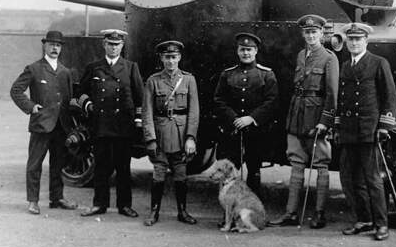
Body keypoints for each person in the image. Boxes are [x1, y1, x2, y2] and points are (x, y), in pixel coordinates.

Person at [269, 14, 338, 229]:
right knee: (296, 163)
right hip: (296, 115)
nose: (310, 36)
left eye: (314, 32)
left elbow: (333, 94)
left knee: (321, 164)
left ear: (321, 33)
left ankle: (319, 214)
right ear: (303, 34)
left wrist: (325, 121)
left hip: (316, 118)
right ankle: (290, 213)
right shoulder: (301, 55)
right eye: (307, 32)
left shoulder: (329, 58)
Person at [335, 22, 396, 241]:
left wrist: (384, 126)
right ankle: (363, 220)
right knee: (351, 179)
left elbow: (390, 97)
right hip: (348, 130)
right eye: (350, 39)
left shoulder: (378, 63)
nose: (353, 43)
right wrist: (337, 125)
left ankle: (382, 224)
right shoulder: (344, 66)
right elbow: (341, 101)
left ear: (366, 41)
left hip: (369, 130)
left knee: (373, 179)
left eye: (358, 39)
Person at [76, 29, 144, 218]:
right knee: (101, 168)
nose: (114, 48)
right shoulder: (93, 67)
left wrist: (138, 122)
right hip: (101, 125)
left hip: (123, 126)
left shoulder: (130, 67)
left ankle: (124, 205)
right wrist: (88, 105)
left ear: (122, 46)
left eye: (117, 45)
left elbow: (140, 97)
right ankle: (99, 204)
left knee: (123, 168)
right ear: (104, 45)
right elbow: (79, 93)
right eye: (110, 44)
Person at [10, 30, 77, 215]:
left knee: (58, 164)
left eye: (58, 45)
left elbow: (69, 98)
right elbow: (16, 90)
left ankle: (57, 198)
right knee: (34, 165)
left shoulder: (65, 72)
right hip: (41, 125)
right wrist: (31, 107)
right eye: (51, 45)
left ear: (61, 48)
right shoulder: (34, 68)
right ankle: (33, 201)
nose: (54, 48)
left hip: (60, 126)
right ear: (44, 46)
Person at [213, 32, 279, 198]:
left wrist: (251, 118)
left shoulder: (266, 74)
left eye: (249, 49)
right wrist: (234, 119)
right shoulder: (228, 74)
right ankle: (228, 211)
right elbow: (219, 100)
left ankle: (250, 207)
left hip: (255, 132)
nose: (246, 53)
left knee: (254, 171)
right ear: (237, 51)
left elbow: (271, 101)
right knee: (229, 172)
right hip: (232, 131)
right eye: (243, 49)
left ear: (256, 51)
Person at [141, 40, 199, 226]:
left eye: (174, 57)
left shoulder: (189, 80)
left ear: (179, 58)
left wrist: (191, 137)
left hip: (181, 135)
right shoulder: (153, 81)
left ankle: (182, 211)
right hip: (160, 133)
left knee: (181, 174)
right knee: (158, 174)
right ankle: (154, 212)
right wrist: (150, 139)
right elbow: (147, 112)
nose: (171, 61)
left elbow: (194, 111)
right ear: (161, 58)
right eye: (167, 57)